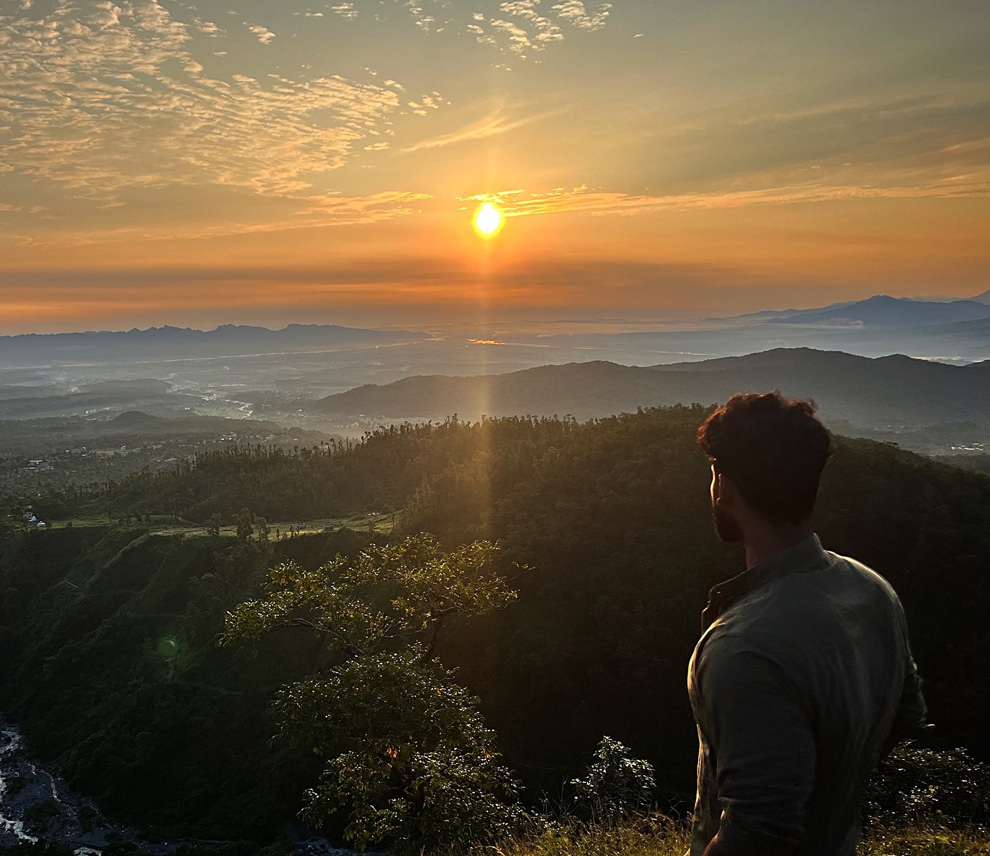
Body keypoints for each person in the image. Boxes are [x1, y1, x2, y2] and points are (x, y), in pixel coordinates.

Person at [688, 391, 928, 856]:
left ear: (724, 484)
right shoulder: (872, 590)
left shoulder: (742, 646)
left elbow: (757, 834)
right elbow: (908, 716)